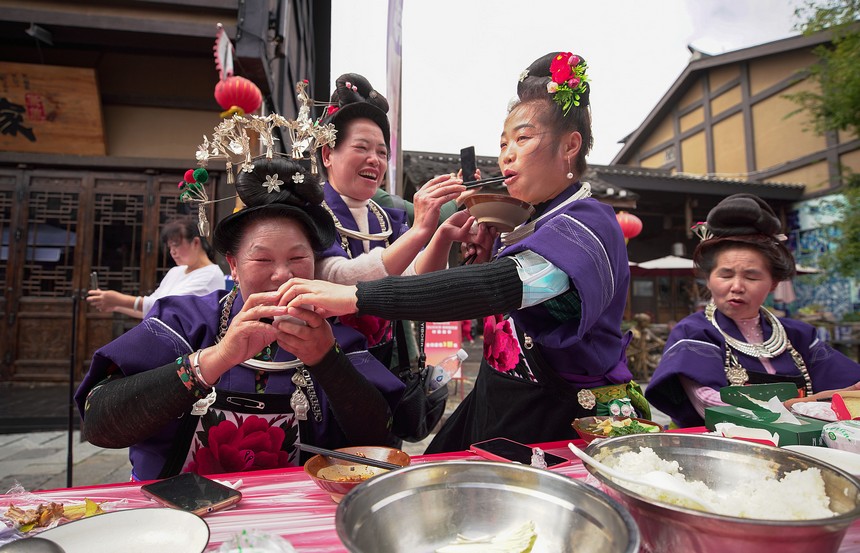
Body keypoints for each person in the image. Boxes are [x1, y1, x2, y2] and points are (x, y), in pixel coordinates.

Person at [279, 51, 648, 453]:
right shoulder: (534, 223)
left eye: (523, 138)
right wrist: (477, 255)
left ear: (570, 146)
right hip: (499, 398)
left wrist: (354, 295)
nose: (506, 155)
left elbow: (495, 288)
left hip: (559, 412)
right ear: (327, 155)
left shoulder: (588, 223)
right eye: (503, 143)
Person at [74, 113, 405, 481]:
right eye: (262, 259)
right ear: (233, 264)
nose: (282, 274)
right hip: (175, 509)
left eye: (298, 259)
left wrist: (328, 360)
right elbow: (99, 423)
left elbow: (383, 440)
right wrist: (217, 358)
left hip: (296, 511)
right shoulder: (187, 321)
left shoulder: (336, 335)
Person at [645, 193, 860, 428]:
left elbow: (850, 388)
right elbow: (709, 404)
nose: (737, 286)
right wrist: (801, 405)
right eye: (725, 275)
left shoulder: (800, 336)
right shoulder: (694, 332)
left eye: (751, 277)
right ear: (708, 279)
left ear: (773, 283)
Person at [316, 73, 475, 365]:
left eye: (381, 152)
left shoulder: (384, 217)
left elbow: (416, 278)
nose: (374, 159)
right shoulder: (310, 213)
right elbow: (337, 278)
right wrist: (419, 231)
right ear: (327, 154)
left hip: (383, 360)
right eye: (361, 148)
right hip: (325, 364)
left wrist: (441, 236)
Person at [86, 217, 225, 318]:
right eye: (170, 247)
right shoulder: (176, 271)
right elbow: (151, 309)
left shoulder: (211, 274)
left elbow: (167, 306)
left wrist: (120, 299)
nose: (172, 252)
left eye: (176, 245)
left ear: (195, 242)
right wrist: (116, 306)